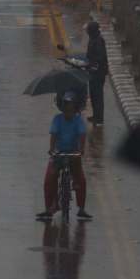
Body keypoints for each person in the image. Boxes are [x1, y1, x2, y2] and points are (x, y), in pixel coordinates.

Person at [38, 91, 91, 221]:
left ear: (75, 107)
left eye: (71, 105)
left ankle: (81, 208)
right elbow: (54, 135)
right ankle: (49, 208)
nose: (68, 108)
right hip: (59, 154)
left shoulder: (78, 120)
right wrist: (52, 149)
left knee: (80, 180)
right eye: (66, 105)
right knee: (49, 178)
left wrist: (81, 150)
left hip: (73, 154)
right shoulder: (57, 119)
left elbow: (82, 135)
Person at [84, 20, 109, 124]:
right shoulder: (93, 39)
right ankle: (95, 115)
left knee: (97, 95)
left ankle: (99, 118)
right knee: (93, 95)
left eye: (88, 30)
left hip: (98, 73)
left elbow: (100, 57)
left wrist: (91, 63)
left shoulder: (98, 41)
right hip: (93, 71)